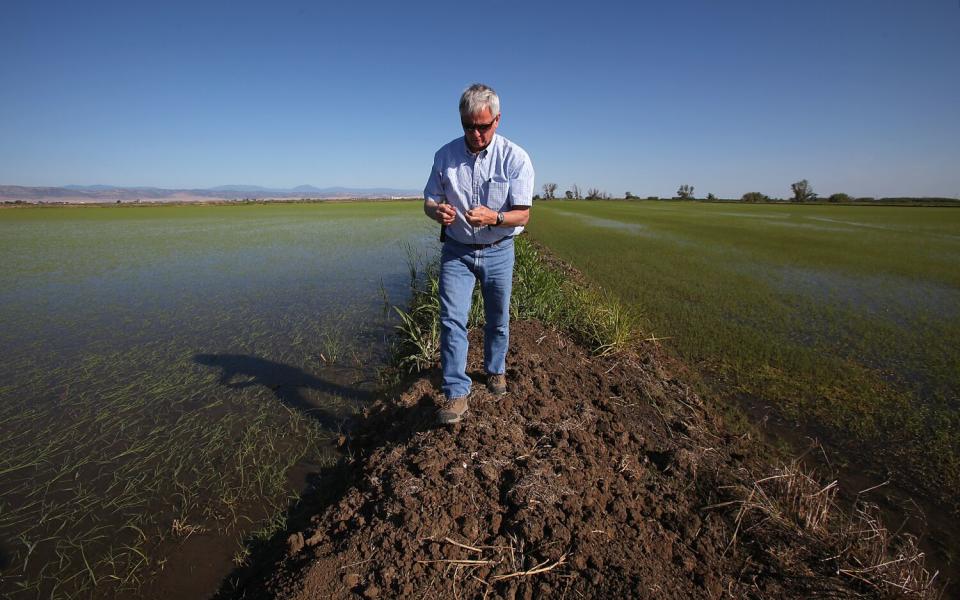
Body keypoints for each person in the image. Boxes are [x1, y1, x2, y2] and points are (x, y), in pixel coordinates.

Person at [423, 83, 535, 424]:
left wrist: (495, 217)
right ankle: (457, 392)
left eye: (483, 126)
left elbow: (523, 214)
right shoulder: (445, 156)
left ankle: (495, 369)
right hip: (457, 250)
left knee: (497, 319)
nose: (475, 133)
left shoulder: (515, 158)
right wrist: (435, 211)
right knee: (451, 319)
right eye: (468, 126)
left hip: (499, 249)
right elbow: (429, 200)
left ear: (497, 120)